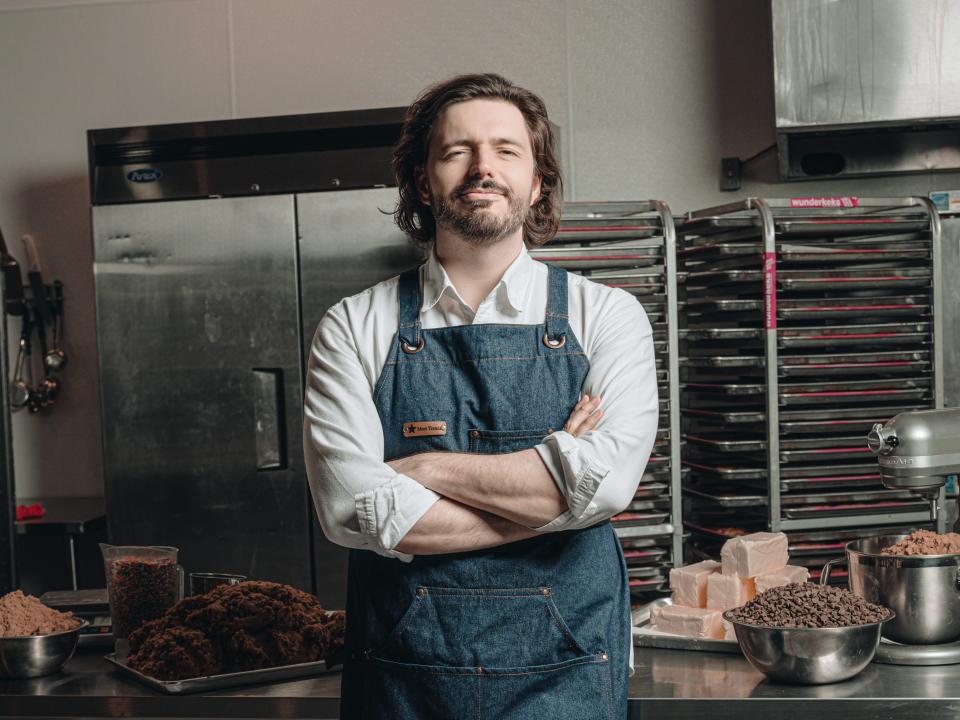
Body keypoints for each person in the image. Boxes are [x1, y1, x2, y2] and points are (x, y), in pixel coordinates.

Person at [304, 72, 658, 719]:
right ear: (420, 179)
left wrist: (423, 470)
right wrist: (554, 488)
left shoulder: (607, 315)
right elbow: (348, 507)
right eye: (456, 150)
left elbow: (604, 488)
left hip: (569, 672)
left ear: (539, 180)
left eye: (505, 149)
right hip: (404, 679)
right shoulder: (353, 326)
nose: (482, 167)